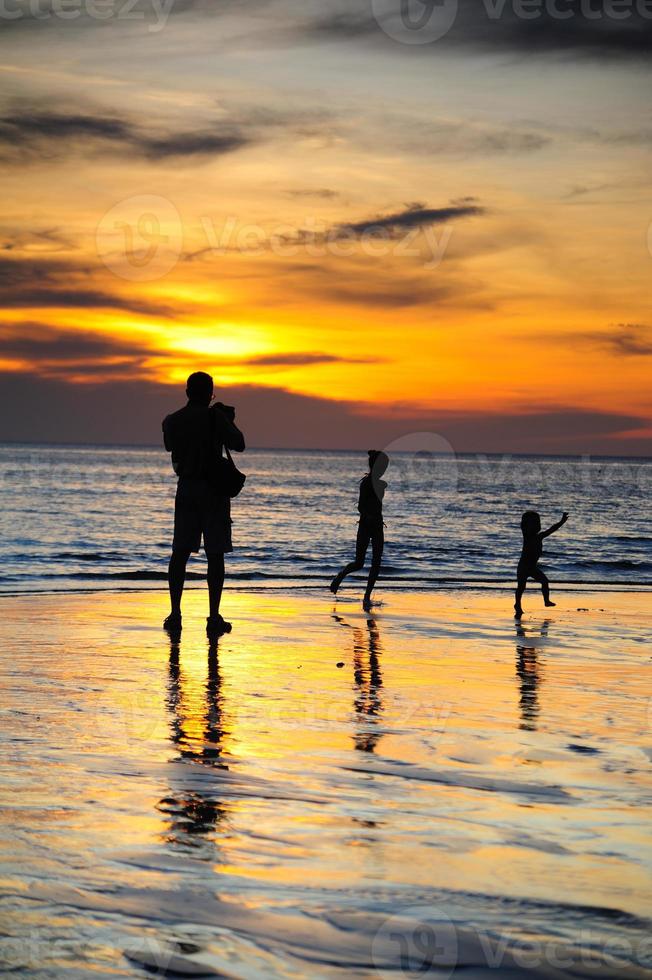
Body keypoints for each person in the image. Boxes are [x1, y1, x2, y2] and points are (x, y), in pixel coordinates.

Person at [162, 371, 245, 636]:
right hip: (213, 490)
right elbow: (239, 443)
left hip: (186, 487)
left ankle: (175, 614)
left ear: (187, 393)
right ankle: (213, 617)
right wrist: (225, 420)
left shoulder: (173, 420)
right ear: (210, 394)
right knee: (215, 554)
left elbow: (169, 445)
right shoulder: (215, 417)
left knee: (180, 553)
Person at [330, 450, 389, 610]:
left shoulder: (379, 484)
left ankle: (367, 596)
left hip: (378, 526)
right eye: (383, 467)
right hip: (365, 525)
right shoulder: (366, 484)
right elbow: (361, 506)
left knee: (376, 562)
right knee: (359, 563)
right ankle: (340, 576)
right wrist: (368, 516)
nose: (384, 470)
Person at [514, 510, 568, 618]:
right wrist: (525, 521)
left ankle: (546, 601)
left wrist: (562, 521)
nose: (534, 526)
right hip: (524, 566)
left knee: (544, 581)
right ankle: (518, 605)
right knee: (521, 587)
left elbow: (552, 529)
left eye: (536, 523)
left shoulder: (540, 536)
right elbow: (523, 526)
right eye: (531, 524)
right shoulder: (527, 536)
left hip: (532, 567)